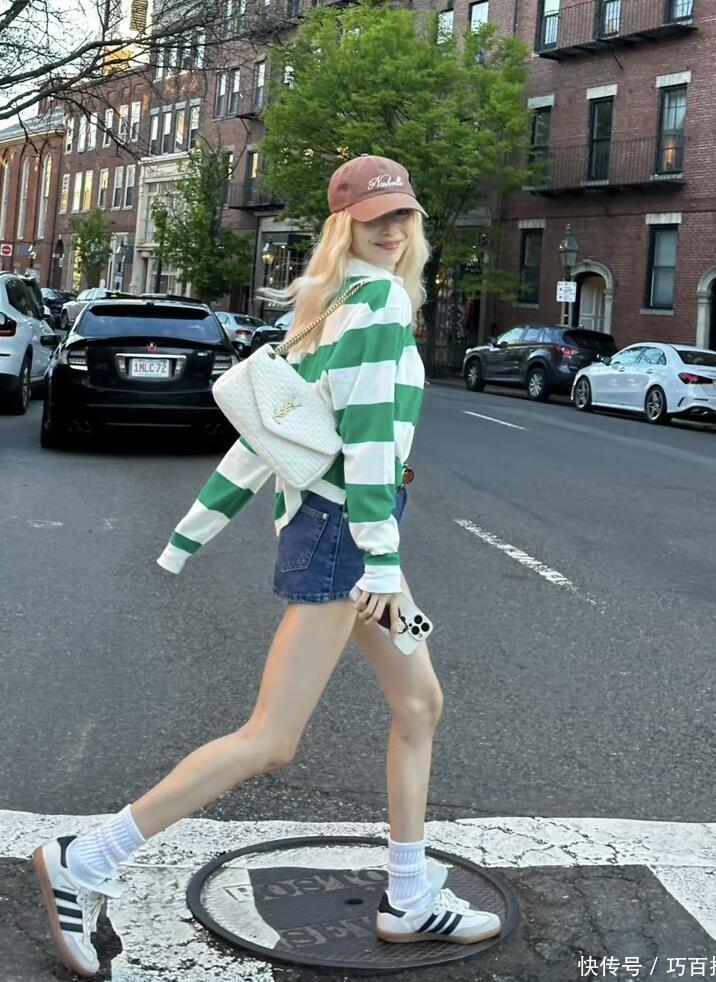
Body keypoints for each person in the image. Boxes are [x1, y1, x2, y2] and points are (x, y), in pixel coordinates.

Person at [32, 154, 501, 978]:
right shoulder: (376, 307)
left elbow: (268, 436)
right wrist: (378, 564)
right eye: (373, 219)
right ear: (342, 226)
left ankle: (407, 895)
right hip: (351, 537)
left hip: (351, 532)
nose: (392, 230)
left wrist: (194, 531)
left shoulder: (329, 308)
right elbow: (364, 445)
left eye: (401, 215)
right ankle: (87, 858)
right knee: (271, 739)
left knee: (419, 703)